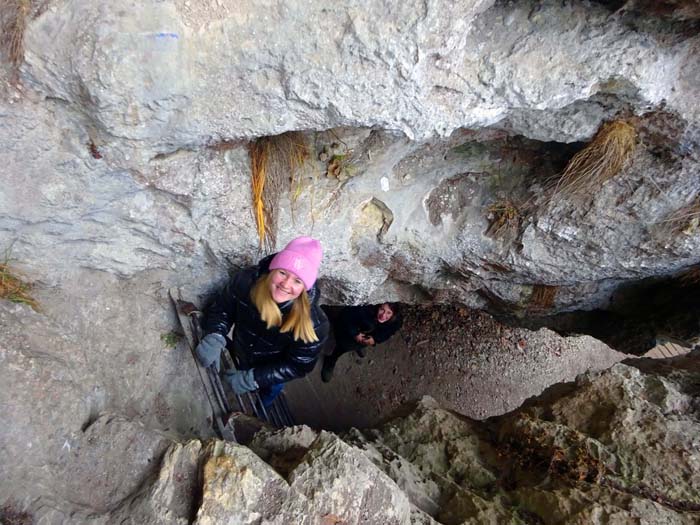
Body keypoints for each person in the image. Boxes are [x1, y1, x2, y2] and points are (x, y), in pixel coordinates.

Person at [195, 236, 329, 406]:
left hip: (272, 372)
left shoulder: (315, 325)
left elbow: (298, 365)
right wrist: (216, 334)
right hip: (241, 350)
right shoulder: (246, 281)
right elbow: (223, 307)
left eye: (297, 281)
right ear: (273, 269)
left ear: (305, 287)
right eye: (283, 272)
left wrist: (255, 378)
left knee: (270, 391)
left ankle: (260, 409)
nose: (286, 284)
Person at [321, 302, 402, 383]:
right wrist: (355, 333)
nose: (383, 316)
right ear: (378, 306)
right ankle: (331, 360)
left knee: (365, 336)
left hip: (367, 333)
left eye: (388, 313)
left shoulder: (396, 320)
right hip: (349, 330)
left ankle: (360, 345)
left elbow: (389, 332)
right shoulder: (365, 309)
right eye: (382, 309)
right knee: (343, 346)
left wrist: (375, 339)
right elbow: (346, 316)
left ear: (393, 314)